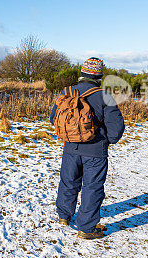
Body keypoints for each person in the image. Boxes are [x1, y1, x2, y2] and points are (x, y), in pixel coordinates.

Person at [49, 57, 125, 239]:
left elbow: (54, 118)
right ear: (100, 75)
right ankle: (87, 228)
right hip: (95, 151)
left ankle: (63, 216)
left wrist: (70, 135)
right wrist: (107, 141)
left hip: (70, 148)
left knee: (68, 181)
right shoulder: (104, 95)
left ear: (82, 73)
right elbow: (116, 127)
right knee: (93, 187)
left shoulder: (67, 92)